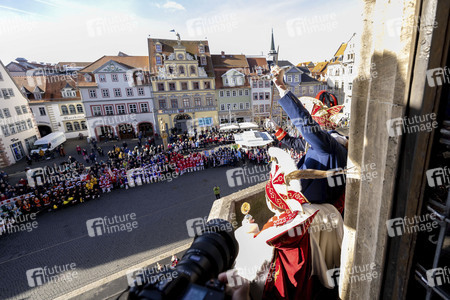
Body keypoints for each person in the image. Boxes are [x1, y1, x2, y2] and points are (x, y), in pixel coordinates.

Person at [271, 65, 348, 212]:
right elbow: (295, 143)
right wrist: (277, 129)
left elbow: (305, 124)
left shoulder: (327, 145)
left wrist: (281, 87)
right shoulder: (329, 143)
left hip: (314, 211)